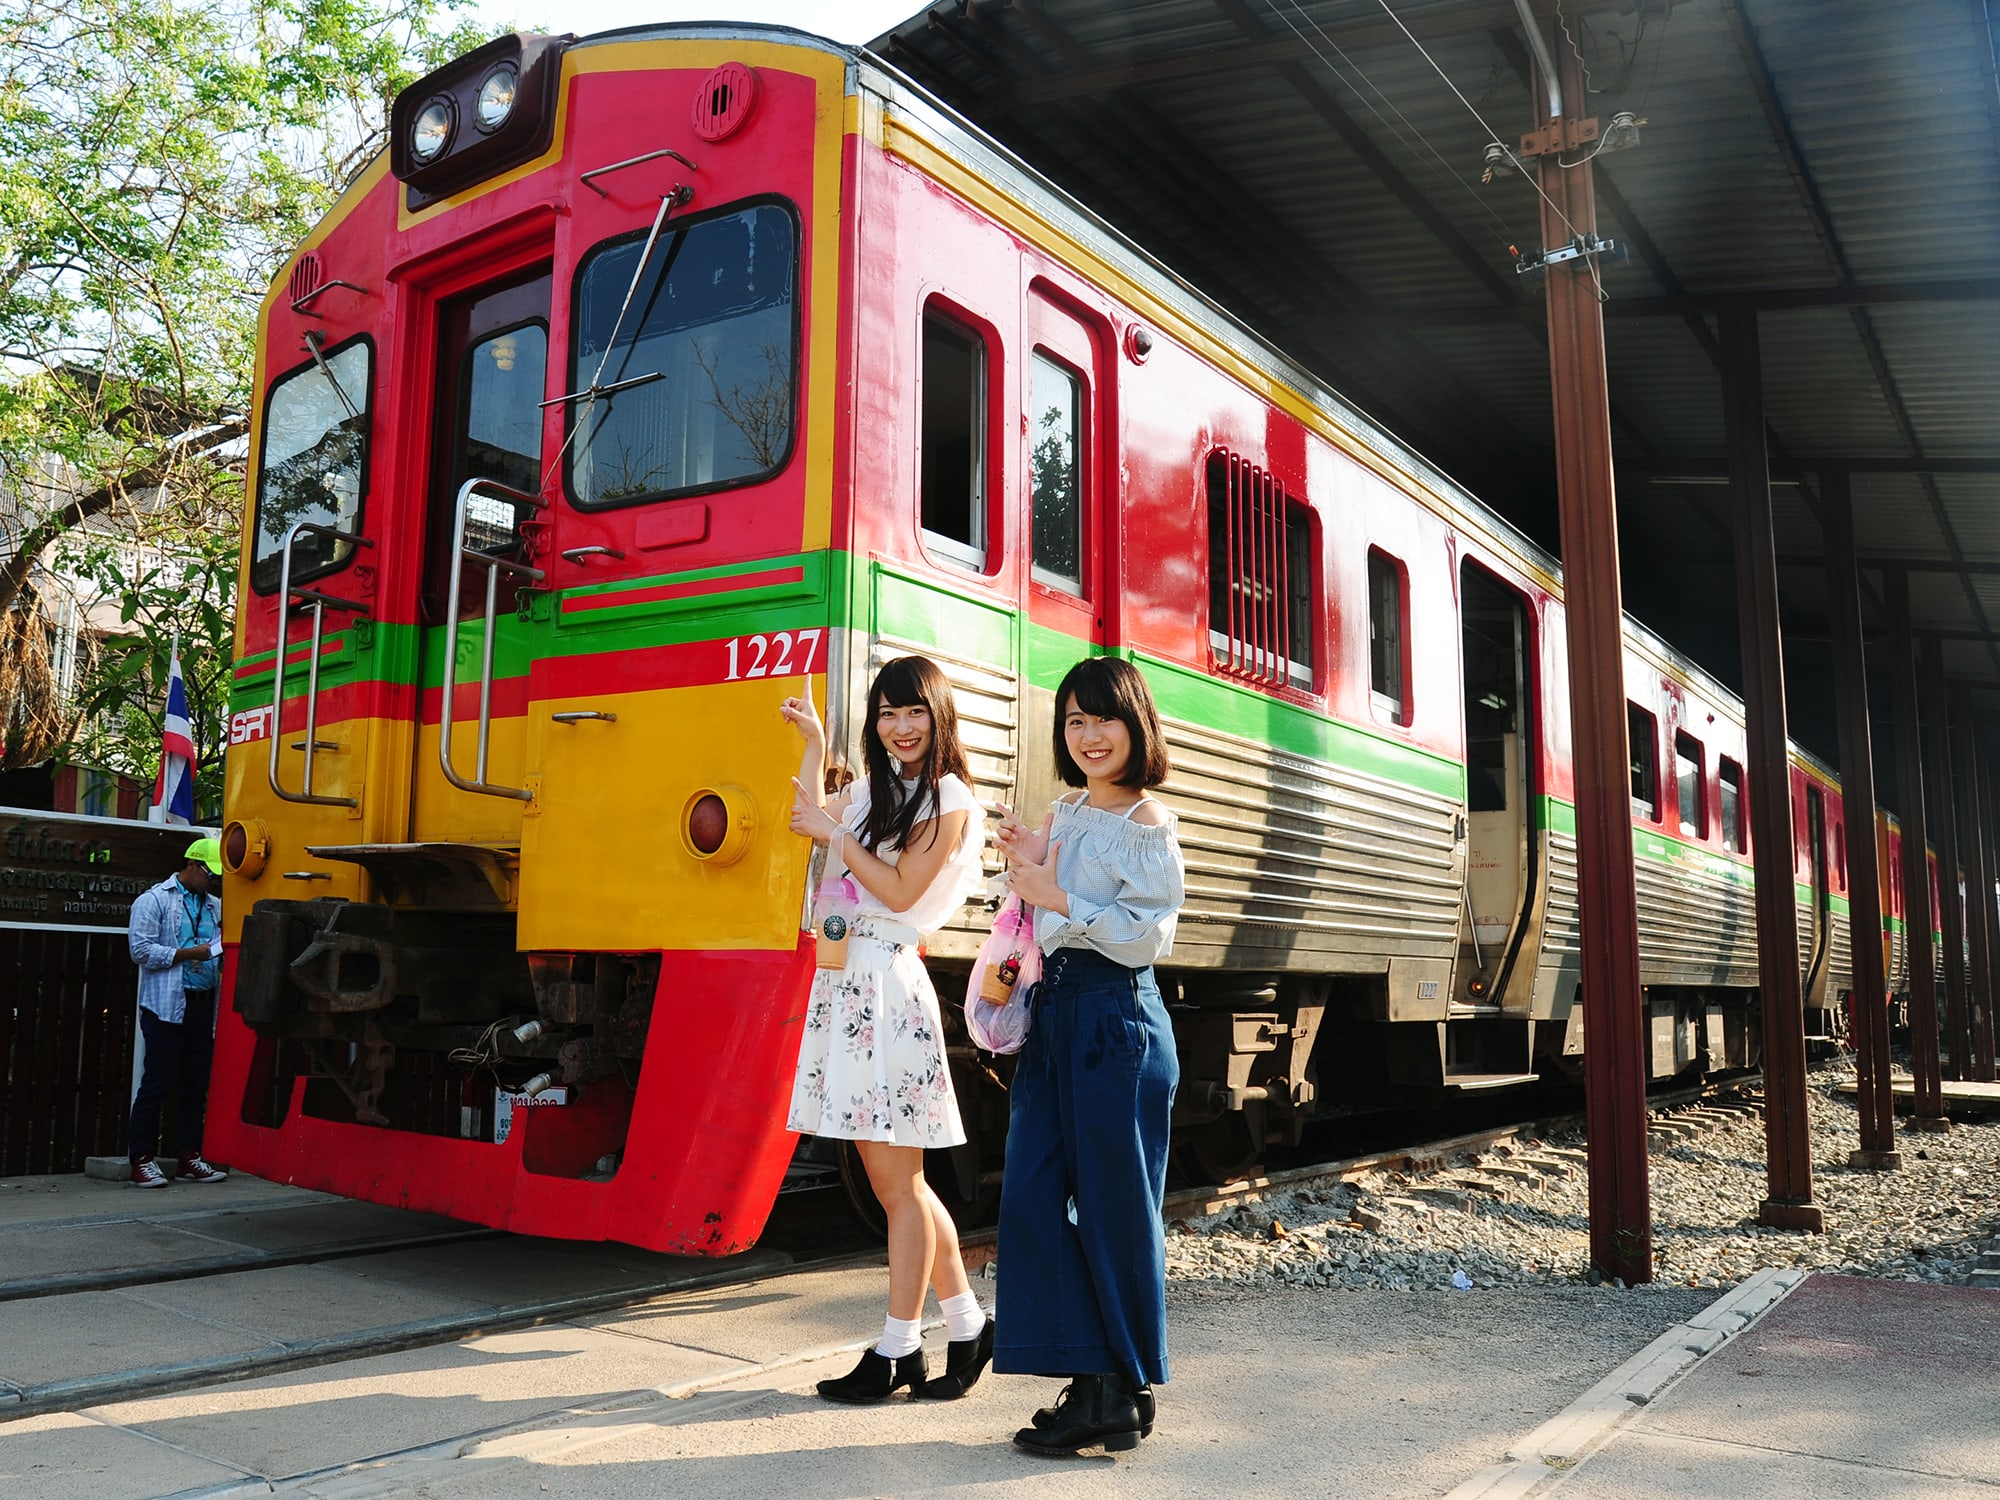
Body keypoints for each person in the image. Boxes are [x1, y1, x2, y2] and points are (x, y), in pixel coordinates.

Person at [783, 655, 995, 1403]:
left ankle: (898, 1347)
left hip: (887, 985)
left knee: (897, 1186)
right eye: (886, 714)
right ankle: (965, 1325)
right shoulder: (881, 789)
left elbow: (902, 887)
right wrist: (815, 745)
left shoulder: (950, 797)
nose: (900, 728)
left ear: (939, 718)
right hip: (852, 983)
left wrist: (835, 837)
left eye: (914, 713)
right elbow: (810, 821)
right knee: (898, 1183)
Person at [992, 656, 1184, 1456]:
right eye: (1074, 720)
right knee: (1033, 1194)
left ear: (1136, 724)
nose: (1089, 734)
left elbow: (1147, 934)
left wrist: (1057, 893)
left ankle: (1115, 1386)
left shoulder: (1147, 823)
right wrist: (1029, 861)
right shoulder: (1066, 807)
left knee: (1110, 1207)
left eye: (1104, 718)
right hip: (1061, 1011)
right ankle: (1102, 1380)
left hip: (1116, 1018)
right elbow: (1040, 907)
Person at [127, 837, 230, 1188]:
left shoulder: (215, 906)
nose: (213, 881)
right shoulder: (154, 900)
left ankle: (189, 1156)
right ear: (191, 865)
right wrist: (190, 954)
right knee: (155, 1084)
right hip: (166, 1007)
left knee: (195, 1086)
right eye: (210, 874)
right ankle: (141, 1159)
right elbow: (139, 950)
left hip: (203, 1005)